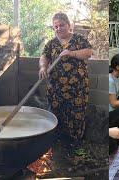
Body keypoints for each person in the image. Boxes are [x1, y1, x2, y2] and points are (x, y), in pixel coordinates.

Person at [39, 12, 92, 145]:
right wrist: (43, 67)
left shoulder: (79, 39)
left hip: (77, 87)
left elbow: (89, 52)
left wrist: (71, 53)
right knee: (55, 113)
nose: (58, 28)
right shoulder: (51, 43)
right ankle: (56, 141)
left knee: (76, 113)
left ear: (68, 25)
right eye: (55, 26)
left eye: (61, 25)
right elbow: (44, 56)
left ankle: (74, 143)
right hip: (56, 87)